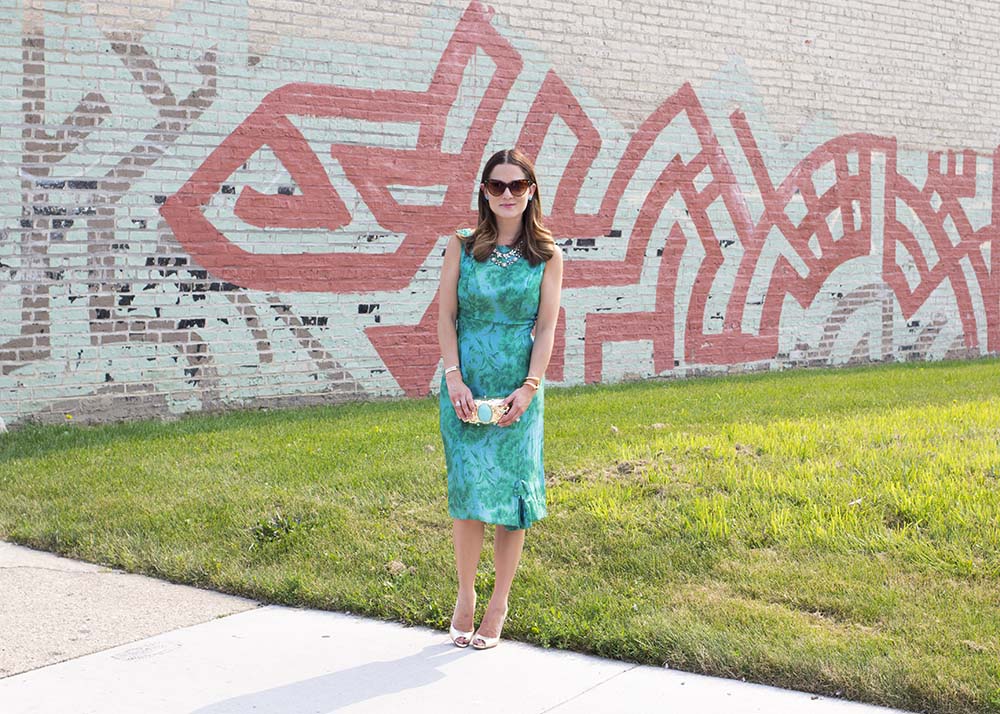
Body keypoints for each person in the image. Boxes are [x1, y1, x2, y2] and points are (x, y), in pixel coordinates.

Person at [437, 148, 563, 650]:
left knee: (512, 498)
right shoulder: (461, 245)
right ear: (484, 192)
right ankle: (465, 596)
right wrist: (453, 377)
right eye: (496, 186)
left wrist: (530, 387)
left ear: (531, 190)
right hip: (464, 384)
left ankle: (499, 603)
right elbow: (446, 316)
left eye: (516, 185)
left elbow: (548, 325)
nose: (506, 194)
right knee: (468, 493)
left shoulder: (548, 254)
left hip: (518, 386)